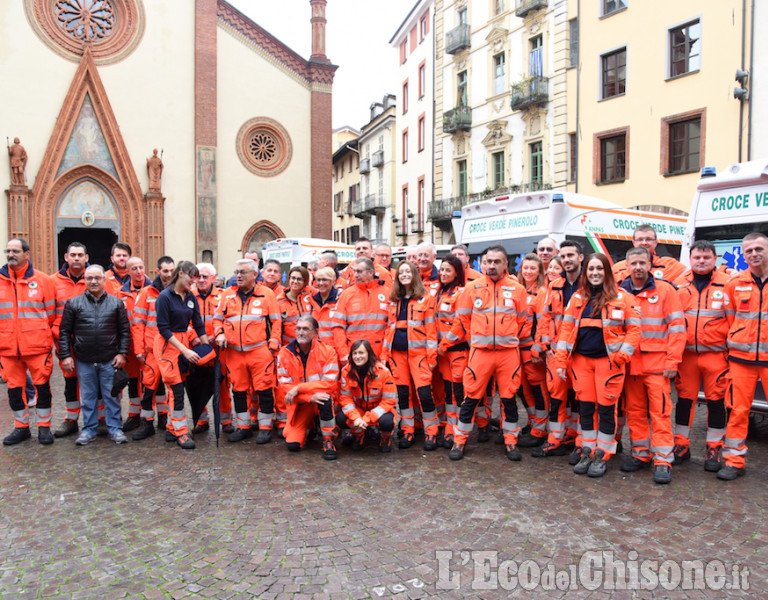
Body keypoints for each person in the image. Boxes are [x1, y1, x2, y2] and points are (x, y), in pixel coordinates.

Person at [553, 254, 641, 477]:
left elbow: (634, 330)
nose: (595, 273)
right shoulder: (577, 298)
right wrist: (561, 361)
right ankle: (588, 449)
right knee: (586, 409)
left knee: (606, 410)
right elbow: (565, 331)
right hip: (581, 361)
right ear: (586, 272)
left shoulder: (623, 298)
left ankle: (603, 453)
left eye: (599, 269)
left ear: (607, 272)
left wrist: (622, 356)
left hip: (609, 364)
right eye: (591, 269)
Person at [441, 245, 527, 461]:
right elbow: (463, 319)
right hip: (480, 353)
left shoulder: (518, 289)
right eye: (488, 261)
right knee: (470, 398)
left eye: (497, 261)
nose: (492, 265)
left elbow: (523, 320)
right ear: (482, 263)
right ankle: (459, 442)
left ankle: (511, 442)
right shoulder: (472, 288)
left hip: (508, 354)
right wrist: (476, 339)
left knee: (508, 399)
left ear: (506, 263)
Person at [619, 247, 685, 484]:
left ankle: (663, 460)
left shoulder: (665, 290)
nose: (638, 267)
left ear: (650, 265)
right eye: (633, 263)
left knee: (661, 413)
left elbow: (677, 329)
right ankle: (640, 454)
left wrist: (673, 361)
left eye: (642, 263)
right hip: (631, 366)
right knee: (635, 412)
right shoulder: (619, 292)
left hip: (658, 365)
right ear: (627, 265)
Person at [673, 241, 730, 472]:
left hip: (716, 355)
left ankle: (714, 448)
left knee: (717, 403)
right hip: (686, 356)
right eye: (697, 257)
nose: (702, 261)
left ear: (715, 258)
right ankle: (681, 445)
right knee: (684, 401)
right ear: (690, 258)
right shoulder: (678, 285)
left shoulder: (729, 284)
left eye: (706, 257)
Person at [58, 265, 131, 445]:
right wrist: (65, 356)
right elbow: (64, 332)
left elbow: (124, 331)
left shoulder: (116, 303)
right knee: (88, 398)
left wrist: (122, 354)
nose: (93, 281)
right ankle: (88, 430)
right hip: (84, 360)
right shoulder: (73, 303)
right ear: (85, 280)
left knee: (111, 396)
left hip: (109, 359)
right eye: (89, 278)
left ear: (104, 281)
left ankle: (115, 429)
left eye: (97, 278)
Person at [214, 258, 281, 443]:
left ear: (254, 274)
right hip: (234, 352)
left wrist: (272, 347)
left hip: (260, 351)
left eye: (243, 272)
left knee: (265, 389)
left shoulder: (266, 294)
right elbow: (217, 319)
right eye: (237, 272)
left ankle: (265, 427)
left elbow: (276, 322)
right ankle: (243, 427)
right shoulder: (227, 294)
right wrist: (219, 333)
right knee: (239, 390)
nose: (238, 275)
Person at [720, 232, 768, 480]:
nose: (754, 254)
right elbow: (731, 317)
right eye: (748, 251)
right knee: (738, 411)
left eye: (758, 249)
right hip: (741, 360)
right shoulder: (735, 283)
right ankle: (734, 461)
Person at [0, 239, 57, 446]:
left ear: (27, 254)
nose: (10, 254)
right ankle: (21, 428)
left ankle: (44, 428)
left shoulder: (43, 281)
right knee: (15, 391)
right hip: (7, 348)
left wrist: (45, 336)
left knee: (42, 389)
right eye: (8, 251)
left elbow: (53, 314)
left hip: (37, 347)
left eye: (15, 251)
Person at [533, 240, 584, 461]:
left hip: (581, 353)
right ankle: (555, 439)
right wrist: (546, 347)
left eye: (571, 255)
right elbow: (545, 318)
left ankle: (580, 441)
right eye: (563, 256)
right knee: (556, 397)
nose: (566, 260)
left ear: (580, 257)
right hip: (555, 352)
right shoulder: (554, 286)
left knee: (582, 399)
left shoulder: (589, 285)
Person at [380, 260, 439, 450]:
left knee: (424, 394)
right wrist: (384, 356)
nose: (404, 275)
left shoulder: (426, 299)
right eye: (401, 272)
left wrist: (432, 357)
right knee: (404, 395)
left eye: (408, 272)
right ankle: (408, 430)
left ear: (414, 275)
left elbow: (431, 330)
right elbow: (388, 330)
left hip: (419, 355)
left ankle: (431, 432)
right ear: (397, 277)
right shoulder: (393, 300)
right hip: (397, 355)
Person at [153, 261, 209, 449]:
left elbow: (198, 323)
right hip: (168, 346)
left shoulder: (190, 297)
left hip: (183, 344)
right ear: (181, 274)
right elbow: (163, 328)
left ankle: (171, 428)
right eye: (192, 277)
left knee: (179, 387)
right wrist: (184, 349)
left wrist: (207, 347)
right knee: (176, 390)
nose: (195, 281)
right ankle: (181, 432)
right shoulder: (165, 297)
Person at [277, 316, 339, 459]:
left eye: (305, 329)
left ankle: (328, 439)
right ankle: (311, 425)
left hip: (321, 401)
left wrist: (298, 388)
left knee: (325, 398)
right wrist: (309, 397)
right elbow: (285, 388)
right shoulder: (284, 353)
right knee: (292, 445)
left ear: (316, 332)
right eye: (298, 328)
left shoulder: (328, 352)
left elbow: (329, 384)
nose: (301, 332)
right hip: (301, 404)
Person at [130, 256, 175, 441]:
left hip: (172, 350)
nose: (169, 274)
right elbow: (137, 323)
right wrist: (139, 349)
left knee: (172, 389)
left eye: (172, 271)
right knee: (149, 388)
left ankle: (165, 421)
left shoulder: (179, 291)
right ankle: (147, 423)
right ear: (157, 271)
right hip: (150, 350)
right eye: (165, 271)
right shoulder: (147, 293)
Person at [190, 263, 233, 435]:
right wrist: (194, 338)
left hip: (218, 349)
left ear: (213, 278)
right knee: (197, 384)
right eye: (198, 277)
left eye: (204, 277)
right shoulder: (188, 296)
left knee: (222, 384)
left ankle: (226, 421)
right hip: (196, 348)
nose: (201, 280)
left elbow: (226, 320)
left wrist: (217, 335)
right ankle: (201, 420)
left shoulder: (223, 297)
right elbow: (183, 321)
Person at [51, 242, 89, 438]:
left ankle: (98, 421)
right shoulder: (53, 282)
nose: (76, 258)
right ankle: (71, 419)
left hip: (90, 342)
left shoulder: (94, 280)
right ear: (66, 257)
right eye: (72, 254)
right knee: (70, 383)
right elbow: (48, 315)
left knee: (94, 382)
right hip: (65, 342)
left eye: (80, 255)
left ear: (86, 258)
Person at [337, 339, 398, 453]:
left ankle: (385, 438)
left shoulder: (383, 372)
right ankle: (358, 435)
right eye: (354, 353)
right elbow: (346, 398)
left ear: (369, 354)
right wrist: (356, 418)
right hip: (359, 409)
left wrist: (367, 418)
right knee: (341, 418)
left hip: (379, 410)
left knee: (387, 422)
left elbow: (389, 401)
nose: (357, 356)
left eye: (361, 353)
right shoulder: (346, 371)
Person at [515, 254, 550, 448]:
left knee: (537, 387)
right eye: (525, 268)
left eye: (532, 268)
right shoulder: (519, 290)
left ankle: (540, 429)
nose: (528, 271)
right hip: (516, 347)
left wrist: (539, 347)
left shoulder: (542, 292)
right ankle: (532, 421)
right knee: (522, 387)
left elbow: (542, 323)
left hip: (531, 348)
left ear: (539, 272)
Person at [274, 266, 314, 434]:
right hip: (288, 350)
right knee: (284, 386)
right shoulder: (278, 301)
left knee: (307, 384)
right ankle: (283, 422)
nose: (295, 281)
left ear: (305, 282)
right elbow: (275, 326)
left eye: (299, 279)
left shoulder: (310, 297)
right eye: (293, 278)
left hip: (309, 349)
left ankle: (310, 422)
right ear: (288, 280)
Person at [331, 257, 391, 364]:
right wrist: (344, 353)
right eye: (354, 271)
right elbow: (337, 327)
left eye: (359, 271)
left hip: (378, 353)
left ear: (371, 272)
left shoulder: (387, 293)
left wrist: (385, 355)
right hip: (354, 353)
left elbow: (390, 328)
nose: (355, 275)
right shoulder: (346, 294)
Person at [434, 254, 467, 447]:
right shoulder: (440, 293)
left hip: (456, 350)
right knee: (448, 391)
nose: (444, 273)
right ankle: (449, 429)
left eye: (448, 270)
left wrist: (443, 344)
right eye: (442, 270)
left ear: (456, 273)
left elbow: (460, 324)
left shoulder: (460, 293)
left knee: (458, 391)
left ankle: (459, 432)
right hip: (443, 353)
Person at [118, 257, 151, 431]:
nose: (139, 271)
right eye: (134, 268)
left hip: (150, 345)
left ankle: (155, 415)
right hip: (130, 346)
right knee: (132, 381)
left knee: (150, 381)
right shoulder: (120, 293)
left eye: (141, 267)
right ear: (128, 271)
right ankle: (133, 415)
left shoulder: (154, 291)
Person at [612, 224, 685, 284]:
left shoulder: (670, 264)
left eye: (648, 239)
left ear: (655, 243)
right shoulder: (617, 268)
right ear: (634, 243)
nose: (644, 243)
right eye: (640, 239)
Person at [307, 266, 340, 350]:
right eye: (318, 280)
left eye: (324, 280)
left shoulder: (340, 299)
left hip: (335, 349)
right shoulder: (311, 300)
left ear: (332, 281)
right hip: (315, 349)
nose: (321, 283)